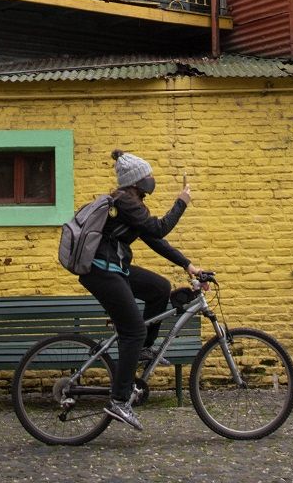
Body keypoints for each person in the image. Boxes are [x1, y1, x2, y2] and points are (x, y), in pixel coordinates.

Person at [79, 149, 202, 432]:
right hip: (101, 271)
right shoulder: (125, 201)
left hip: (114, 267)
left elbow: (154, 239)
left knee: (160, 288)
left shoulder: (131, 204)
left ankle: (144, 349)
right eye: (147, 175)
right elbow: (159, 229)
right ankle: (120, 400)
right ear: (136, 180)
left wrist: (187, 264)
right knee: (133, 330)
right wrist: (181, 203)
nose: (151, 179)